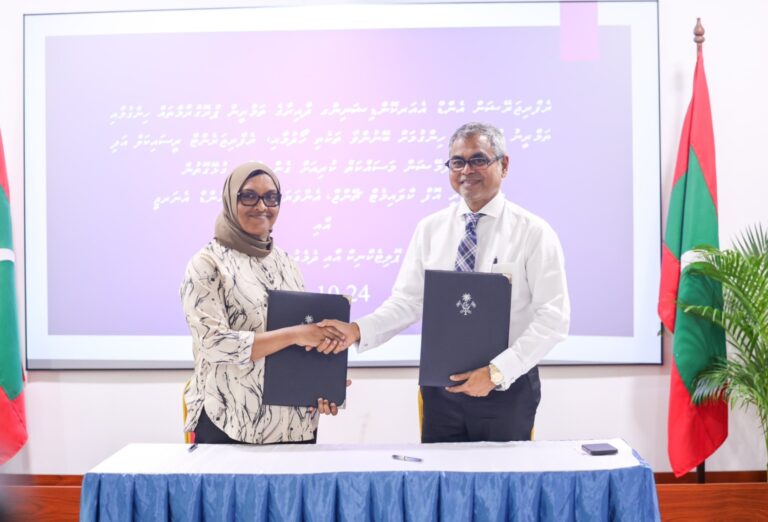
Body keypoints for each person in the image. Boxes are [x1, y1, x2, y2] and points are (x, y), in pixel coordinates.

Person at [321, 122, 570, 443]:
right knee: (439, 475)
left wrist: (496, 372)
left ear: (504, 165)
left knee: (504, 476)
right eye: (457, 162)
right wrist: (357, 331)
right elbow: (408, 302)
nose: (466, 170)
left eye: (478, 160)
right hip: (442, 391)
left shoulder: (533, 232)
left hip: (506, 389)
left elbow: (553, 318)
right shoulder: (430, 229)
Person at [181, 161, 347, 444]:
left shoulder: (285, 263)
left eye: (271, 197)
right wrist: (295, 334)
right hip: (231, 423)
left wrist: (322, 379)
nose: (261, 206)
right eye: (248, 196)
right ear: (230, 199)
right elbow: (214, 345)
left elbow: (301, 339)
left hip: (293, 426)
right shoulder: (207, 264)